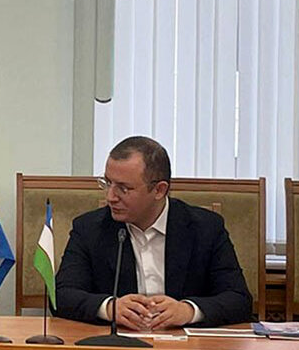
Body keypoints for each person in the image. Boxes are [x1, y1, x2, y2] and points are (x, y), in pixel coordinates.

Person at [54, 136, 252, 329]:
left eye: (123, 188)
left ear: (159, 190)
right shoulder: (90, 229)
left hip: (185, 343)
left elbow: (238, 299)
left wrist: (188, 311)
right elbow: (61, 295)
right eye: (107, 183)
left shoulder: (205, 228)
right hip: (119, 341)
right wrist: (109, 307)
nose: (110, 197)